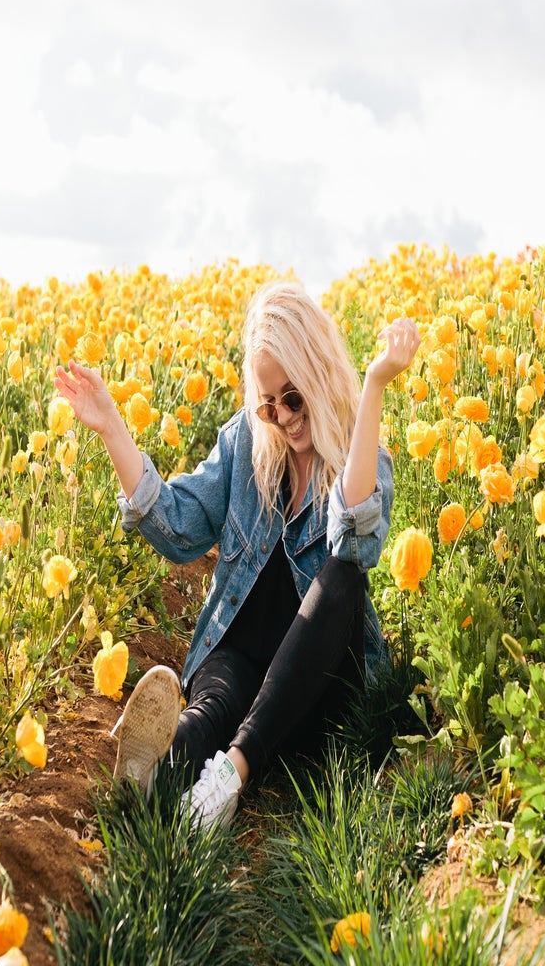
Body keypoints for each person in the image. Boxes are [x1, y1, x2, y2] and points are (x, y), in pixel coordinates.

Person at [53, 281, 420, 830]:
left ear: (317, 372)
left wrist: (373, 386)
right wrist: (111, 428)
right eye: (268, 405)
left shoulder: (362, 456)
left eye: (293, 397)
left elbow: (354, 540)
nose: (284, 417)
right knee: (212, 706)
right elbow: (177, 530)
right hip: (242, 664)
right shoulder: (246, 442)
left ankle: (228, 778)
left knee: (339, 574)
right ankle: (158, 774)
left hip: (316, 689)